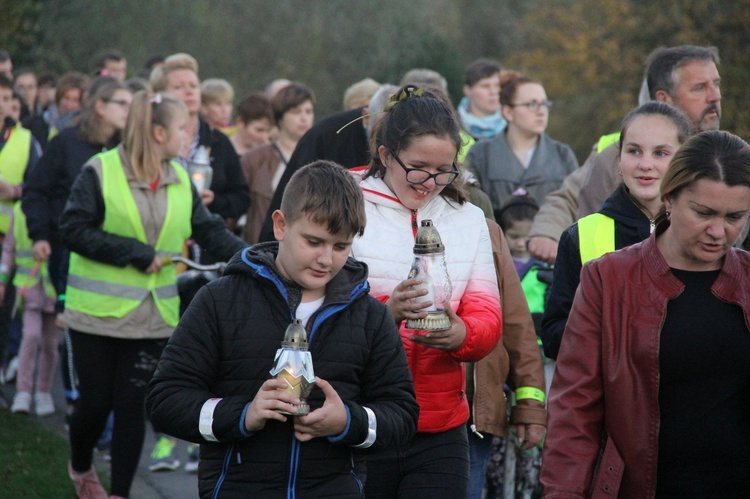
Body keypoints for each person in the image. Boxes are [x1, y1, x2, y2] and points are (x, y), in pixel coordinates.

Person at [145, 160, 418, 498]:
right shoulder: (221, 300)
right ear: (280, 225)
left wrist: (348, 421)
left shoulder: (370, 316)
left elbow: (403, 415)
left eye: (340, 246)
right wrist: (243, 415)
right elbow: (164, 400)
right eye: (313, 241)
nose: (326, 259)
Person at [541, 130, 750, 498]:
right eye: (702, 213)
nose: (719, 231)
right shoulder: (608, 279)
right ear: (669, 198)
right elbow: (574, 410)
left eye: (735, 217)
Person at [60, 90, 246, 499]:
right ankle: (80, 465)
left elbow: (208, 229)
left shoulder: (181, 178)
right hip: (96, 314)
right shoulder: (100, 171)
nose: (188, 136)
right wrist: (136, 254)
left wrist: (254, 259)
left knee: (131, 407)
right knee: (94, 404)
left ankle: (120, 494)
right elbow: (72, 229)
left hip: (152, 317)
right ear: (160, 132)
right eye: (183, 128)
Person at [350, 85, 503, 497]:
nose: (431, 183)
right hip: (362, 417)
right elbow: (314, 303)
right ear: (384, 155)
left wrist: (462, 337)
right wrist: (387, 311)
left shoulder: (467, 218)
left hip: (441, 425)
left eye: (445, 170)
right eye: (418, 168)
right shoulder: (347, 201)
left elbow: (488, 315)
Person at [528, 45, 723, 264]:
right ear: (663, 99)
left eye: (716, 85)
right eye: (699, 88)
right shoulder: (611, 152)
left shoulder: (731, 160)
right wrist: (546, 232)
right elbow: (567, 199)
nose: (714, 96)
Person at [541, 101, 692, 360]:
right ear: (619, 159)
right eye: (634, 151)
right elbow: (554, 337)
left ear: (684, 160)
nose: (645, 164)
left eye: (660, 153)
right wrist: (608, 327)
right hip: (610, 395)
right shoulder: (580, 236)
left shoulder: (702, 232)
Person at [150, 53, 249, 242]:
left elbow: (242, 198)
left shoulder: (219, 142)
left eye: (194, 86)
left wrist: (216, 201)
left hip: (207, 249)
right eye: (179, 87)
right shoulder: (150, 141)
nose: (189, 92)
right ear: (160, 95)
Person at [467, 72, 578, 212]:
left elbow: (576, 208)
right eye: (532, 104)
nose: (541, 111)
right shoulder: (480, 155)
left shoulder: (562, 155)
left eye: (544, 104)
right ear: (508, 112)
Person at [240, 82, 315, 244]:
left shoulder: (319, 158)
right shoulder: (253, 160)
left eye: (308, 111)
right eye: (296, 112)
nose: (304, 118)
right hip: (261, 247)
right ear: (280, 117)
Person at [2, 203, 58, 417]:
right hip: (28, 287)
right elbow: (9, 248)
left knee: (50, 344)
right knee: (31, 336)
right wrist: (3, 280)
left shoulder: (59, 206)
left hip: (53, 290)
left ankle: (43, 391)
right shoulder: (19, 210)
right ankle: (23, 392)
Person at [22, 71, 88, 150]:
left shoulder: (84, 130)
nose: (69, 104)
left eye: (75, 100)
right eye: (66, 98)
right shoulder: (33, 124)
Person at [458, 58, 505, 141]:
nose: (493, 92)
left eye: (497, 86)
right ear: (467, 90)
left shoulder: (514, 125)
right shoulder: (453, 126)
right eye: (485, 86)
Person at [228, 92, 273, 156]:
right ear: (240, 123)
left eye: (268, 131)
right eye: (259, 130)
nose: (264, 137)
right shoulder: (219, 151)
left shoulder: (270, 155)